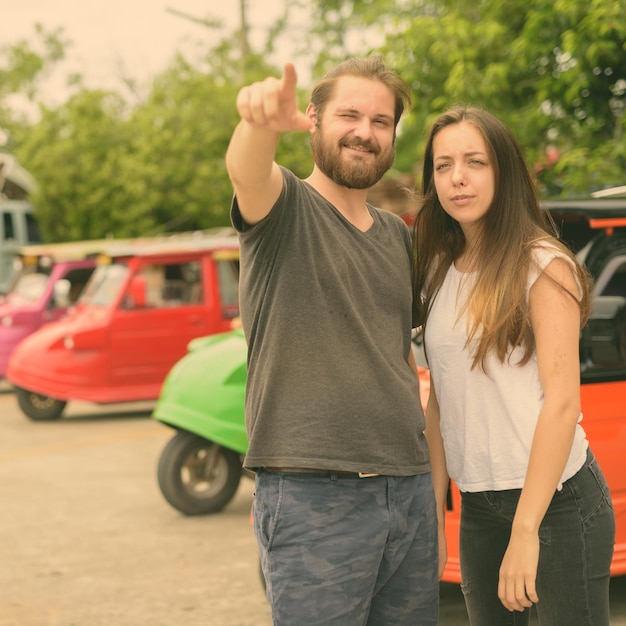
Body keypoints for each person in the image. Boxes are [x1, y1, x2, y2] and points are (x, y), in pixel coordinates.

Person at [226, 57, 439, 625]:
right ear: (314, 119)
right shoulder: (283, 206)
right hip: (314, 494)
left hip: (410, 488)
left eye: (381, 121)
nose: (365, 132)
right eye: (350, 114)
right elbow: (247, 170)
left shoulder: (396, 235)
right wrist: (260, 122)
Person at [412, 105, 616, 625]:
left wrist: (527, 530)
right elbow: (440, 400)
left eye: (475, 161)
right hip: (480, 507)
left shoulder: (543, 265)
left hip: (558, 504)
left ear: (503, 171)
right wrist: (436, 515)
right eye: (443, 165)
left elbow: (562, 401)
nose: (457, 177)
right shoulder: (436, 270)